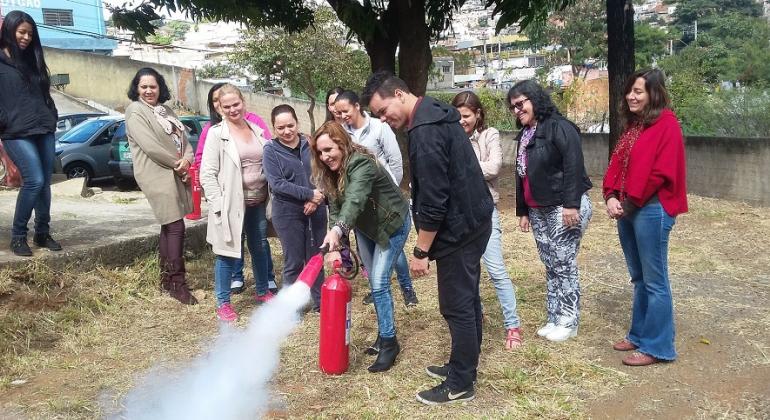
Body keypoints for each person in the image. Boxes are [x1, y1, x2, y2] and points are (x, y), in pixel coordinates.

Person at [364, 71, 493, 405]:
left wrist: (421, 250)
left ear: (398, 93)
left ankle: (462, 381)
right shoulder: (436, 110)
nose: (384, 119)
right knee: (469, 297)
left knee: (456, 305)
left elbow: (435, 199)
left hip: (458, 230)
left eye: (383, 110)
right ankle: (463, 362)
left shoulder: (424, 131)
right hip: (476, 219)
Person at [310, 121, 411, 373]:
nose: (325, 157)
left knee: (379, 283)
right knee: (377, 286)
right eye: (320, 152)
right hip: (367, 228)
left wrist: (339, 229)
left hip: (392, 223)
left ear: (342, 144)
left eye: (329, 149)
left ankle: (389, 343)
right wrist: (334, 237)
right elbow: (335, 207)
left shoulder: (361, 163)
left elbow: (355, 199)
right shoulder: (332, 171)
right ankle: (383, 334)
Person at [603, 68, 687, 367]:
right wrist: (612, 195)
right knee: (638, 278)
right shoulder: (635, 126)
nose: (631, 96)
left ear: (654, 93)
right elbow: (618, 165)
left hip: (651, 209)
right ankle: (638, 334)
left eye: (638, 91)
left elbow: (661, 173)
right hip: (629, 207)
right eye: (630, 91)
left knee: (655, 281)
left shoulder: (667, 124)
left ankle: (659, 346)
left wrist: (630, 203)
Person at [508, 80, 593, 343]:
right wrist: (522, 210)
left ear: (535, 99)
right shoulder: (526, 135)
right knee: (550, 264)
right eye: (512, 107)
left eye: (520, 104)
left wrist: (571, 204)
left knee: (563, 263)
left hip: (563, 206)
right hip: (538, 209)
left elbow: (573, 166)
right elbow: (522, 176)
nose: (516, 111)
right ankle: (555, 317)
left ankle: (569, 321)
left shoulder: (559, 127)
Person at [333, 90, 418, 309]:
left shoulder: (379, 128)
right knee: (368, 252)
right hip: (360, 204)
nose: (342, 116)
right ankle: (377, 289)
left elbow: (395, 161)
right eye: (337, 112)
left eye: (345, 111)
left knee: (392, 250)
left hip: (384, 202)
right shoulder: (342, 134)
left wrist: (391, 193)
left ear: (357, 106)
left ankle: (407, 288)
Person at [451, 91, 522, 350]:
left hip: (485, 210)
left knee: (496, 270)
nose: (461, 121)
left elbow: (494, 167)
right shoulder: (452, 136)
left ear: (478, 114)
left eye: (467, 116)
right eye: (457, 116)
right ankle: (476, 315)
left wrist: (462, 168)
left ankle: (512, 324)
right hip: (460, 213)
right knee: (468, 272)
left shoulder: (488, 134)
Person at [194, 83, 278, 296]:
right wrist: (218, 204)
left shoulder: (256, 130)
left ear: (243, 102)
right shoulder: (215, 134)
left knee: (259, 248)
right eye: (227, 106)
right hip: (231, 203)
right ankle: (223, 303)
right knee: (227, 252)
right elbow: (207, 174)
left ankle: (262, 291)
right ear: (219, 109)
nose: (233, 110)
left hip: (257, 201)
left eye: (236, 104)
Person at [125, 67, 197, 305]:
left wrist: (187, 158)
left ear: (160, 88)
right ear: (137, 88)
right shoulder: (135, 111)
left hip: (175, 169)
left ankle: (167, 278)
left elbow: (183, 138)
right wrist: (180, 163)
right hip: (155, 172)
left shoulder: (165, 110)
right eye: (143, 86)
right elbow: (151, 146)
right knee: (175, 225)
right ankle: (178, 282)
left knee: (169, 224)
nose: (148, 91)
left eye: (152, 86)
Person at [0, 11, 62, 257]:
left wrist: (52, 114)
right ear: (9, 31)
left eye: (30, 33)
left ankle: (42, 233)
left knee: (45, 183)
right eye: (21, 32)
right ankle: (18, 236)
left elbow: (44, 94)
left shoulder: (33, 60)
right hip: (15, 132)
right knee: (34, 180)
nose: (26, 38)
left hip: (43, 128)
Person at [263, 105, 327, 312]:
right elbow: (277, 183)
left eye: (290, 125)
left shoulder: (311, 143)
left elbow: (324, 173)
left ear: (297, 123)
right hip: (287, 211)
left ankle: (320, 302)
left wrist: (316, 199)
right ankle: (290, 308)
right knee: (294, 261)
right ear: (274, 128)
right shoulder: (270, 150)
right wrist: (308, 194)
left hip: (316, 208)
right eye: (280, 127)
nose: (286, 131)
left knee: (316, 257)